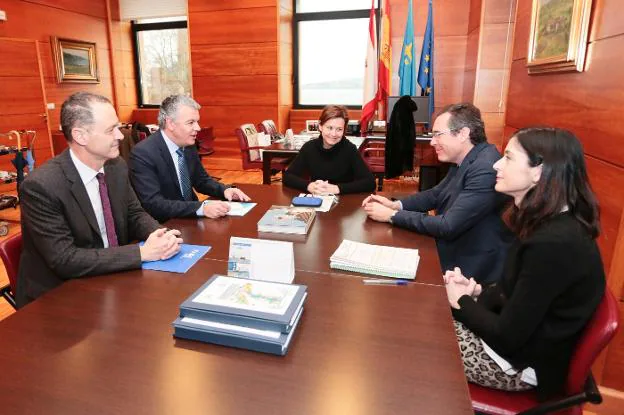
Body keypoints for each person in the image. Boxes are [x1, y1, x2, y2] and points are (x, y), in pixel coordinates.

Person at [445, 127, 605, 400]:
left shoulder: (553, 245)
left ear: (538, 172)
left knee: (416, 340)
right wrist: (477, 293)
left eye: (508, 157)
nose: (497, 163)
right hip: (518, 349)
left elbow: (507, 337)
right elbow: (523, 296)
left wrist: (462, 303)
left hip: (518, 367)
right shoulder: (551, 225)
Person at [17, 92, 182, 308]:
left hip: (112, 278)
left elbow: (134, 213)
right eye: (110, 130)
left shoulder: (116, 166)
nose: (121, 136)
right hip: (59, 297)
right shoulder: (41, 186)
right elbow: (65, 260)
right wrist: (143, 253)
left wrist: (161, 235)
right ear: (80, 136)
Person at [362, 103, 511, 284]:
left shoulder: (485, 168)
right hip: (453, 248)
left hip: (469, 265)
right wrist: (395, 205)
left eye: (438, 135)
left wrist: (392, 215)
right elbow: (436, 194)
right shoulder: (468, 158)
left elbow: (448, 225)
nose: (432, 142)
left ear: (463, 134)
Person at [129, 95, 250, 222]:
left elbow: (201, 181)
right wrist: (201, 208)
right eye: (191, 122)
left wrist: (224, 190)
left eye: (197, 122)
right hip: (165, 225)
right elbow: (153, 204)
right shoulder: (143, 154)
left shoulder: (188, 145)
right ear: (170, 124)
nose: (198, 128)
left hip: (192, 219)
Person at [283, 105, 375, 195]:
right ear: (320, 126)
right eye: (329, 128)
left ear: (344, 130)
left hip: (344, 203)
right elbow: (287, 177)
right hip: (317, 200)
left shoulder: (349, 149)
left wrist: (337, 188)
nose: (333, 134)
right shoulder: (309, 148)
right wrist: (309, 185)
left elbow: (370, 182)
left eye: (339, 129)